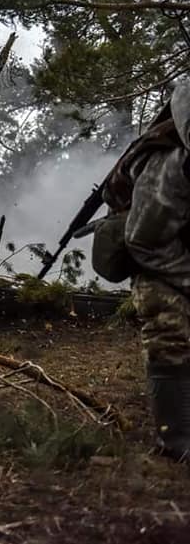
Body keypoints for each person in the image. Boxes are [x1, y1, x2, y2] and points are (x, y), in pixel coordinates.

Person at [108, 82, 190, 460]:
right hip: (157, 251)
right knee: (170, 327)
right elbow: (145, 240)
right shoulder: (171, 163)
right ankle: (175, 440)